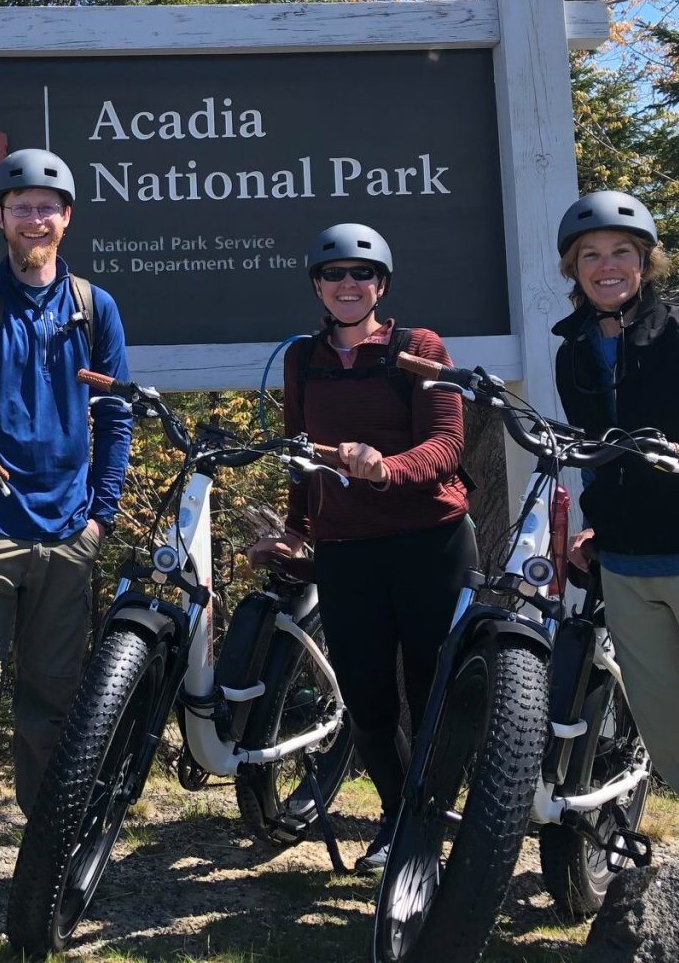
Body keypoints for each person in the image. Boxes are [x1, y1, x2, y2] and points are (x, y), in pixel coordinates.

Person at [0, 147, 132, 920]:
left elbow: (116, 416)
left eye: (47, 207)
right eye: (21, 208)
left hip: (66, 536)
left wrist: (99, 517)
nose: (34, 219)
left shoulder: (94, 307)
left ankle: (43, 867)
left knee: (53, 711)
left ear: (66, 217)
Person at [247, 223, 476, 872]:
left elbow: (447, 444)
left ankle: (431, 818)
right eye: (334, 274)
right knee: (367, 698)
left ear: (381, 284)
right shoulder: (302, 359)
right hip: (347, 548)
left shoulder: (419, 348)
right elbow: (301, 455)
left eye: (362, 273)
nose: (348, 284)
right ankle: (398, 814)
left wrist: (385, 469)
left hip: (430, 539)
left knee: (434, 690)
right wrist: (296, 529)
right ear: (317, 286)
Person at [552, 190, 679, 822]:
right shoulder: (573, 352)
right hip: (627, 566)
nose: (606, 266)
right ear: (574, 269)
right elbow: (594, 455)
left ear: (644, 262)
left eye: (620, 252)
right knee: (671, 734)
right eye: (590, 255)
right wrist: (593, 527)